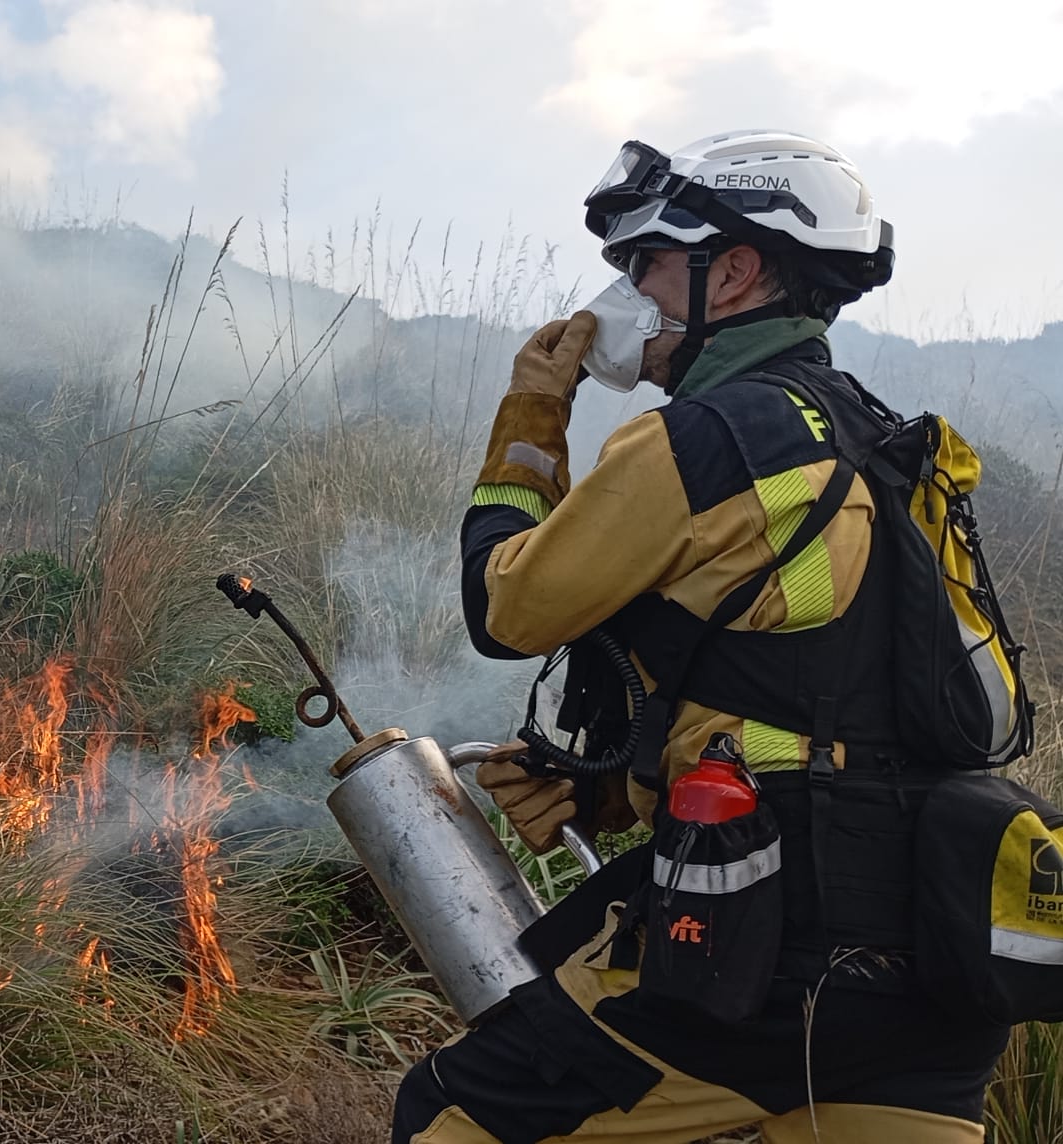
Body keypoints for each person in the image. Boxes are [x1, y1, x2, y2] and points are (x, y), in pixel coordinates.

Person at [390, 130, 1011, 1142]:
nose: (628, 290)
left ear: (733, 272)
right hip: (936, 974)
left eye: (647, 260)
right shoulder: (889, 443)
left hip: (761, 956)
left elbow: (504, 611)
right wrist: (610, 791)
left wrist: (532, 417)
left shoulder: (708, 438)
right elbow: (843, 704)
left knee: (452, 1116)